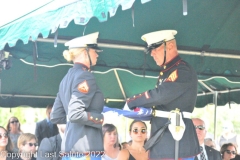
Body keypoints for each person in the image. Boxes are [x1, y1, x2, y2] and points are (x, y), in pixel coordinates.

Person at [123, 30, 200, 159]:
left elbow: (161, 95)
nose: (152, 53)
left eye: (155, 48)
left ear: (169, 46)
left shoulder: (182, 70)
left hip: (175, 143)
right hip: (166, 143)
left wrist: (132, 102)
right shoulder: (168, 71)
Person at [50, 32, 104, 160]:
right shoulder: (85, 76)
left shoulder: (65, 79)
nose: (97, 54)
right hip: (86, 150)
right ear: (85, 53)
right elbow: (75, 114)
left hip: (69, 149)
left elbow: (56, 116)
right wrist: (101, 119)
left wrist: (74, 127)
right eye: (94, 51)